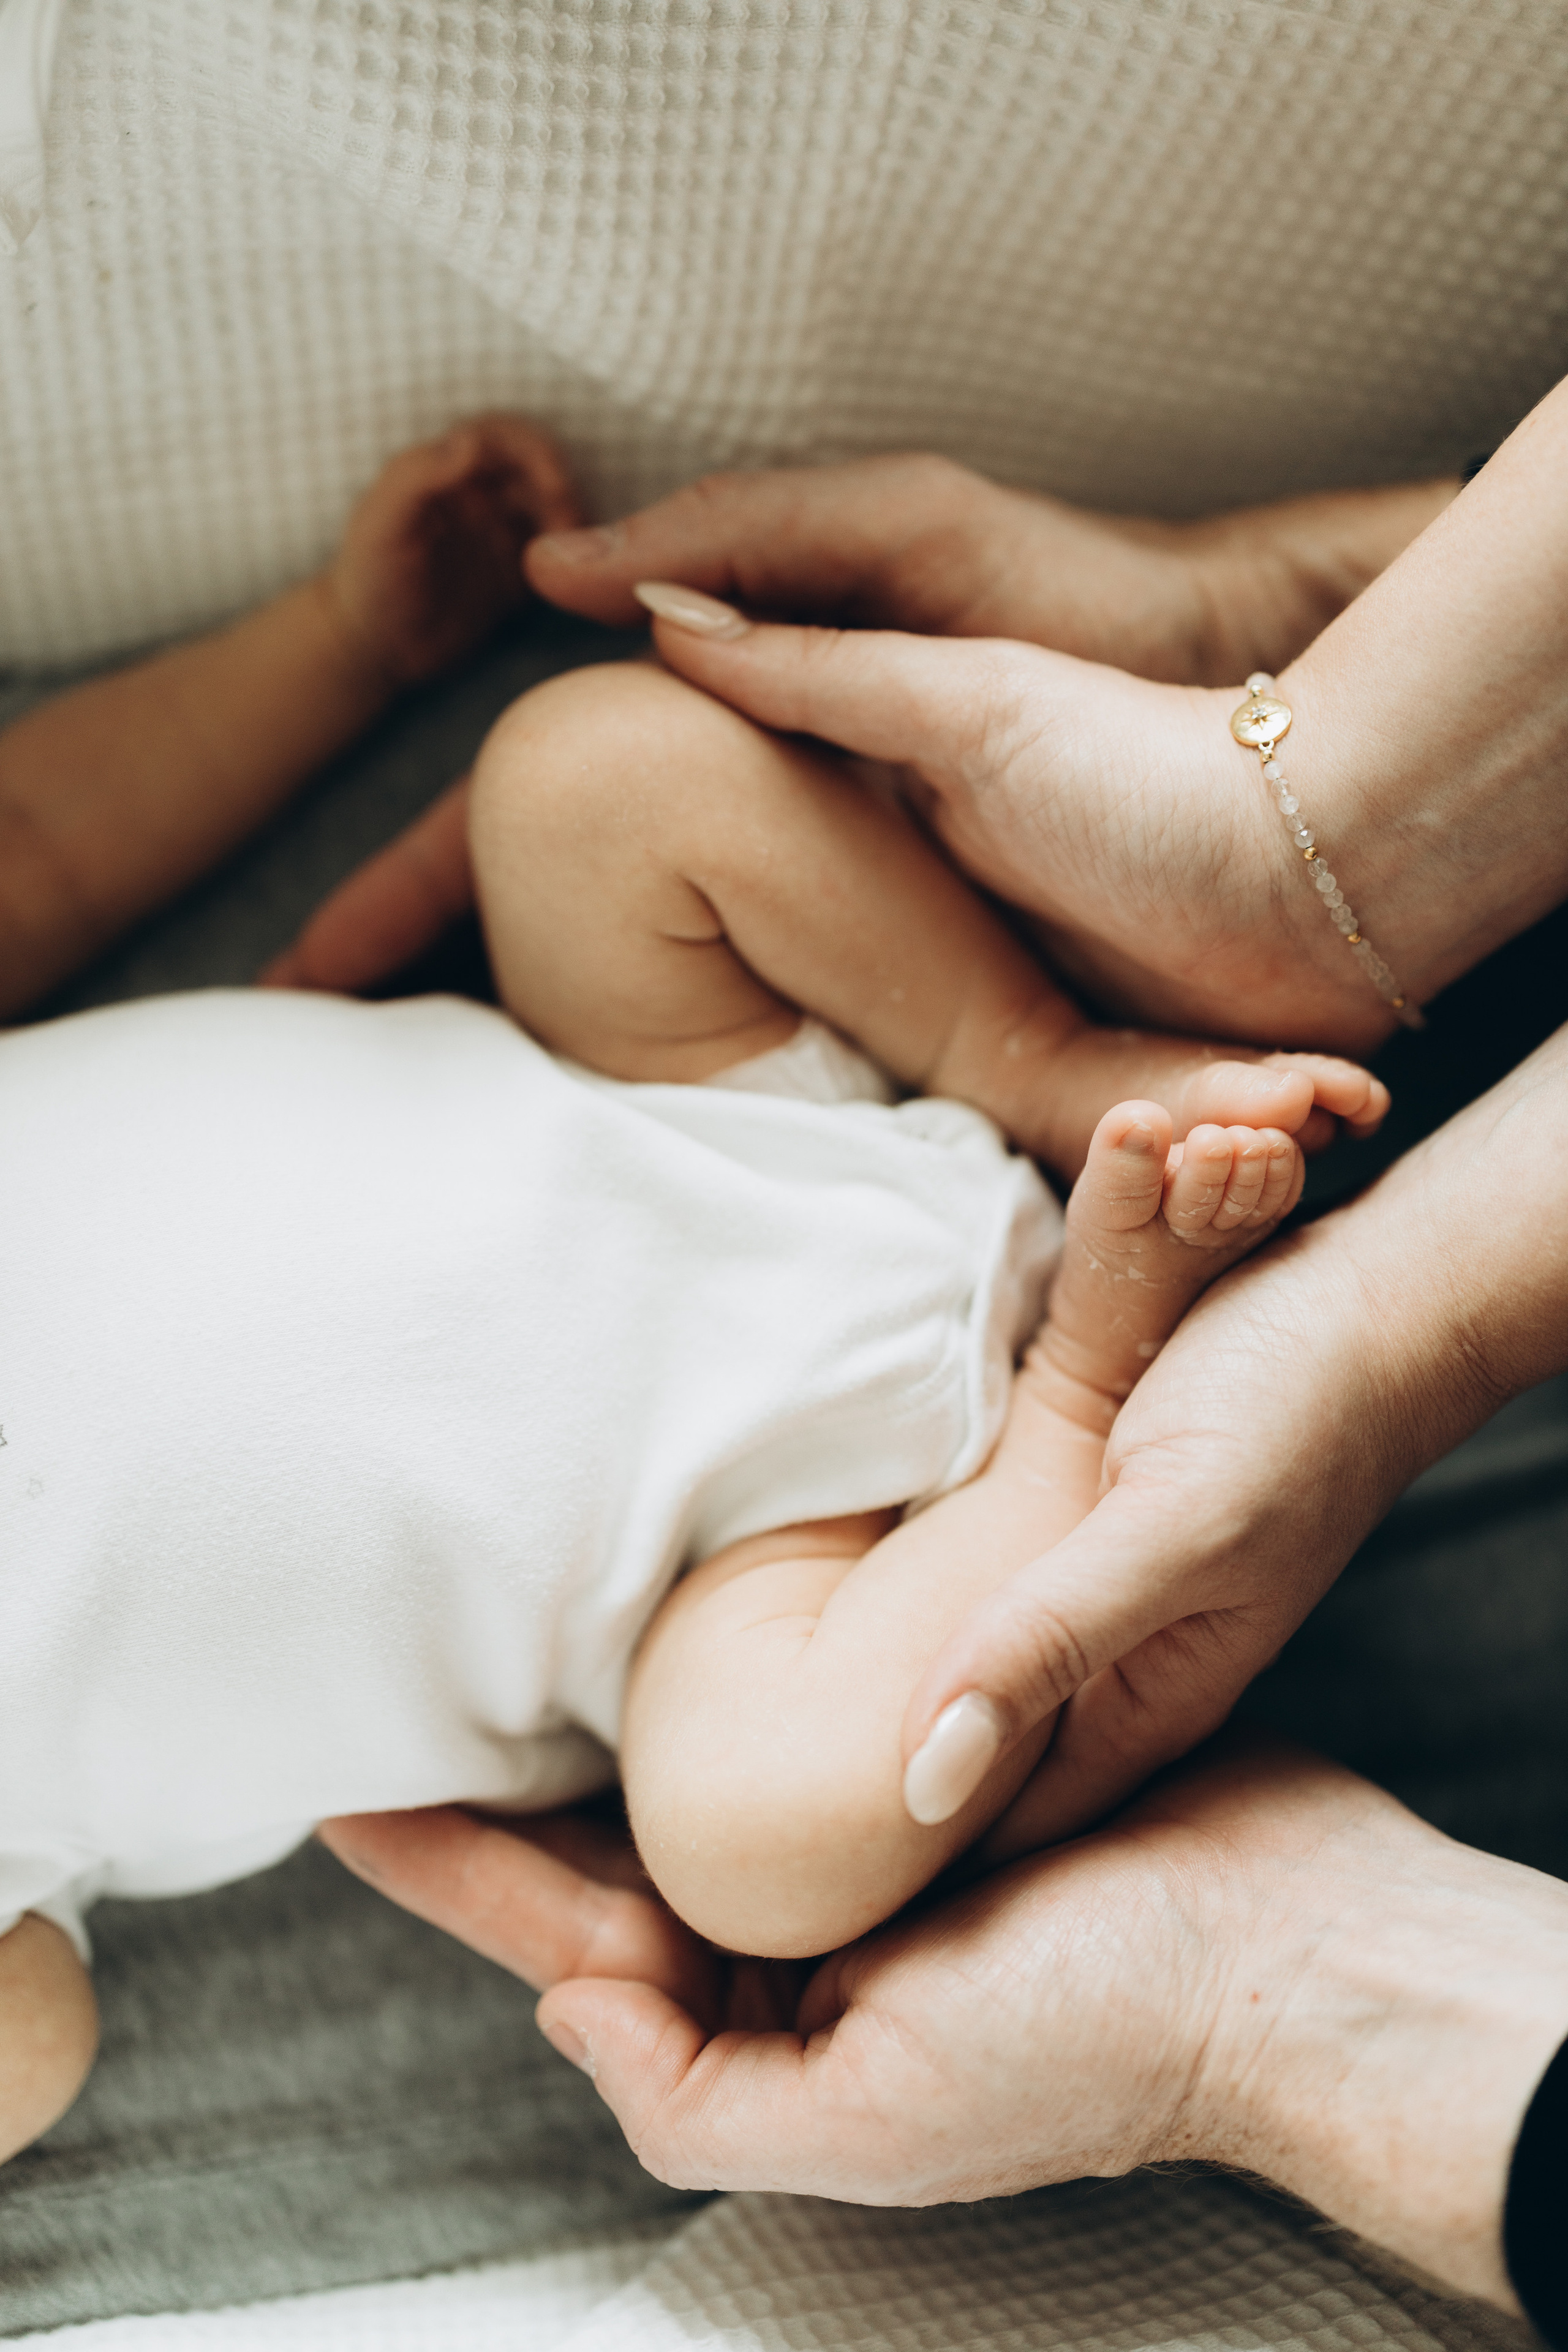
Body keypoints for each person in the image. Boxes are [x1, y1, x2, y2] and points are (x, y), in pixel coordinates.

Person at [1, 404, 1391, 2159]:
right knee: (767, 1850)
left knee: (583, 775)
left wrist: (334, 649)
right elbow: (27, 2044)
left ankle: (1045, 1057)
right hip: (723, 1568)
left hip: (686, 1099)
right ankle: (1079, 1402)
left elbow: (32, 850)